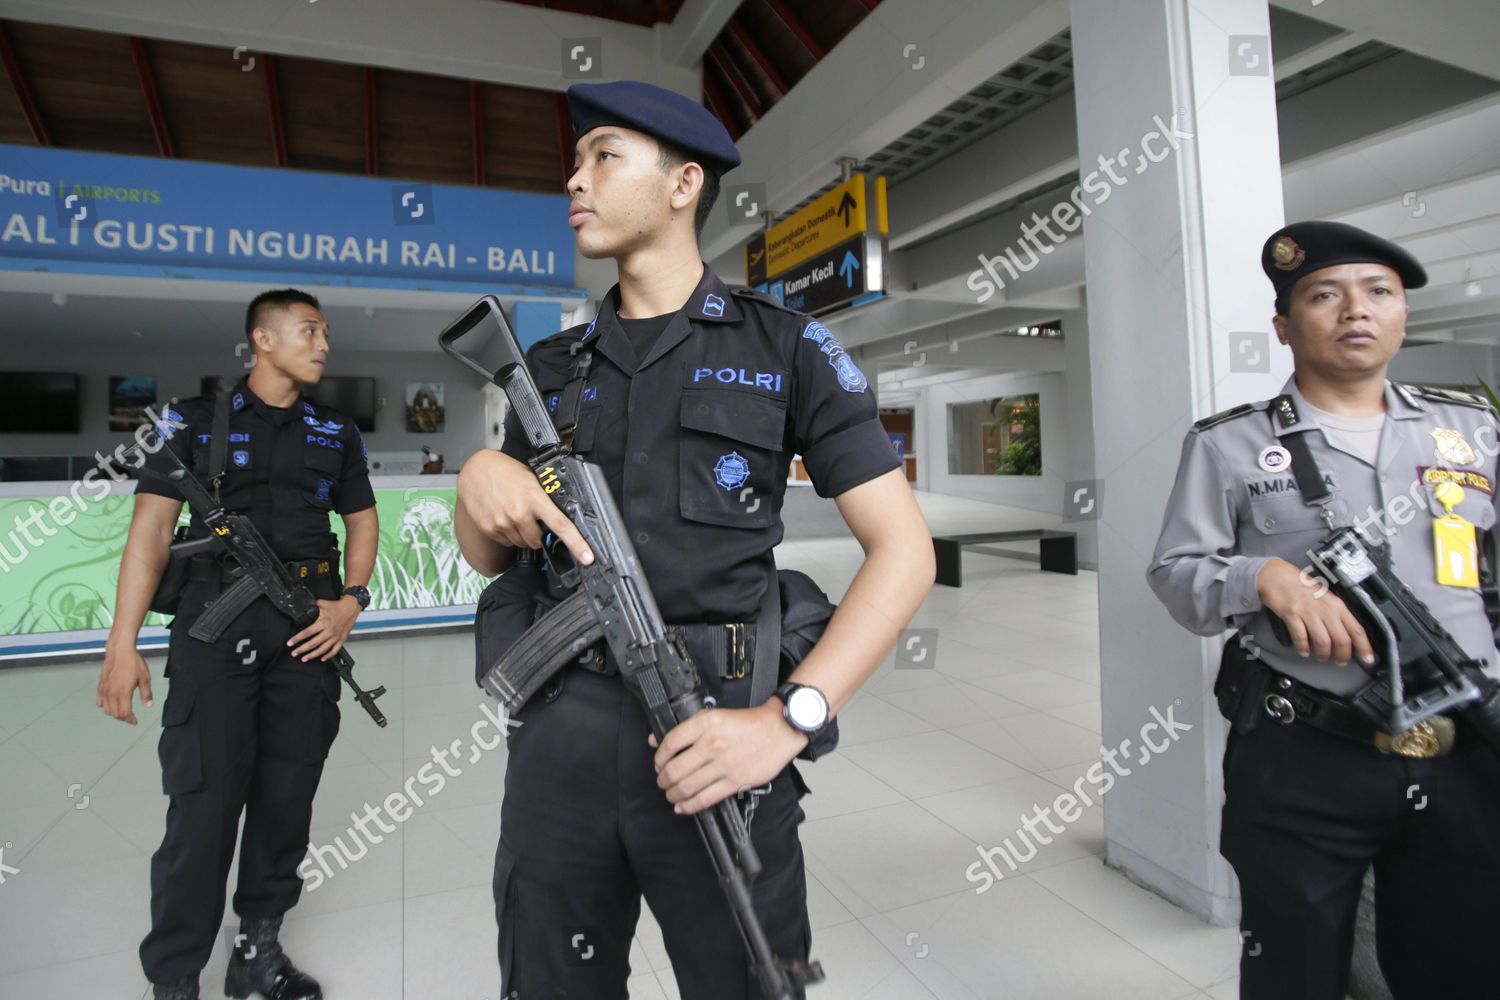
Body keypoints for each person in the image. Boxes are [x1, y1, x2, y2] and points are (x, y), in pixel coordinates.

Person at [454, 80, 935, 998]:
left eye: (604, 156)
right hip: (562, 731)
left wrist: (789, 720)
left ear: (682, 186)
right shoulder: (544, 372)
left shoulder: (786, 347)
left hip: (719, 730)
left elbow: (905, 551)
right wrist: (478, 488)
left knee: (744, 980)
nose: (574, 180)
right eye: (577, 159)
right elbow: (493, 554)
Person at [1147, 221, 1500, 999]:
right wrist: (1259, 577)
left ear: (1403, 314)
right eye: (1324, 295)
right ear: (1284, 325)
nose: (1356, 310)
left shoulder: (1472, 433)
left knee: (1464, 962)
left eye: (1379, 292)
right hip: (1304, 751)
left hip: (1466, 749)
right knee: (1293, 970)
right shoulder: (1227, 447)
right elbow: (1176, 575)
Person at [99, 288, 380, 1000]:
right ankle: (175, 977)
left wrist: (351, 602)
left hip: (308, 632)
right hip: (214, 628)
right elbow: (150, 534)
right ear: (262, 338)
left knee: (287, 797)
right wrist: (121, 643)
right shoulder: (191, 422)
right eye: (309, 331)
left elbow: (362, 521)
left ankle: (257, 954)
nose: (323, 345)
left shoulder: (336, 431)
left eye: (324, 332)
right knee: (202, 804)